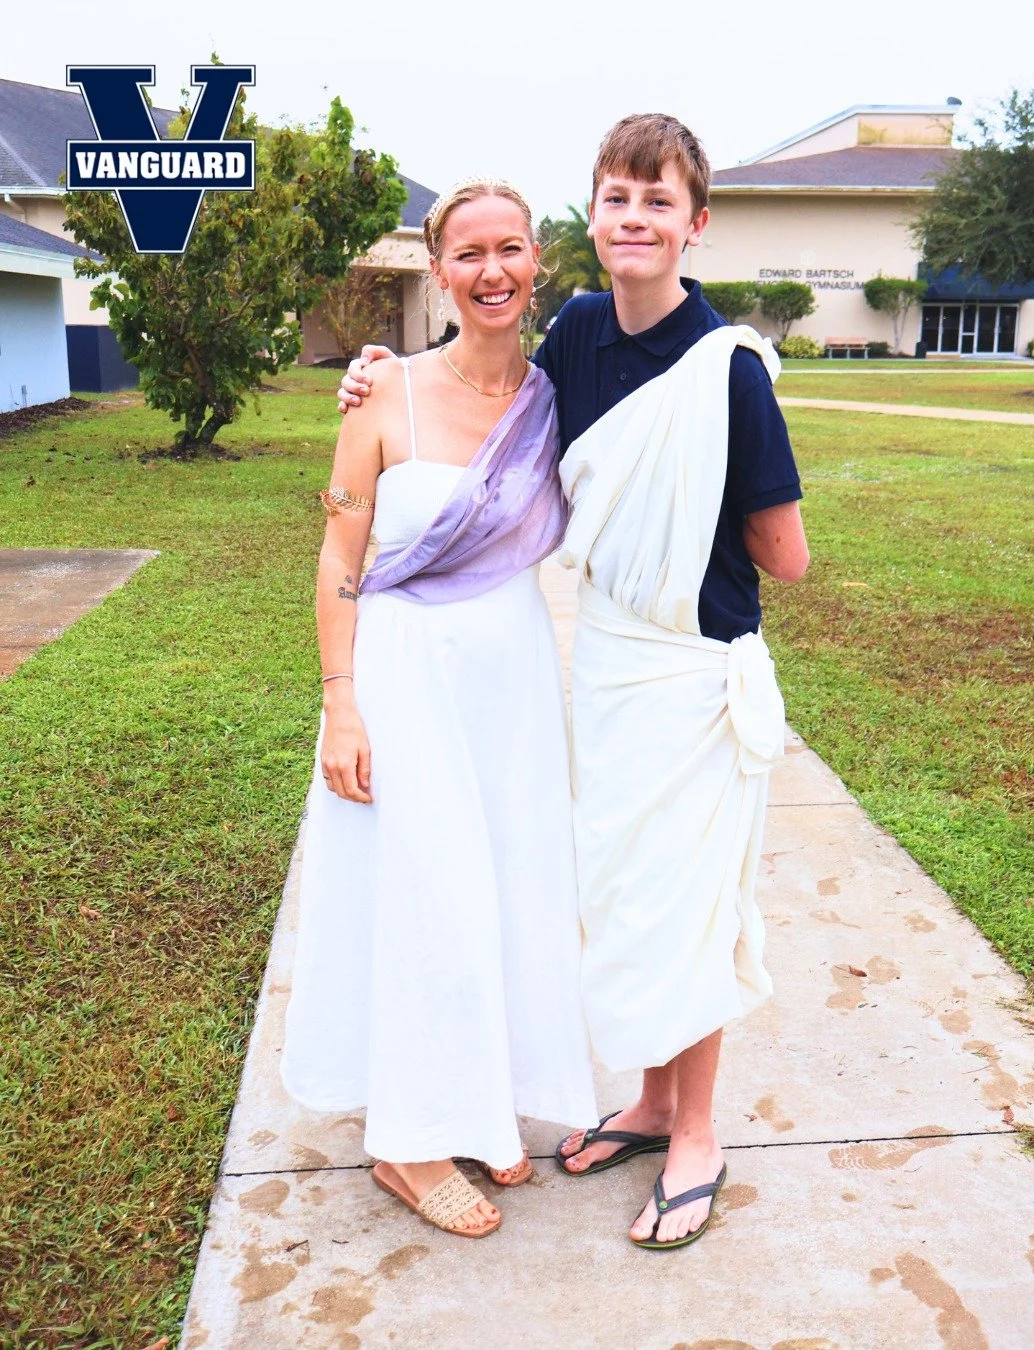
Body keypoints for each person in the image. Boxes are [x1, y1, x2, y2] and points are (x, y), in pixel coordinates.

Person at [338, 114, 809, 1250]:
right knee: (625, 896)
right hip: (602, 661)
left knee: (690, 902)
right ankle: (648, 1104)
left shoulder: (729, 369)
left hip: (691, 666)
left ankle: (694, 1131)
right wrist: (379, 372)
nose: (635, 220)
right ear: (588, 221)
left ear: (695, 224)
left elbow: (786, 553)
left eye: (659, 203)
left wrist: (678, 518)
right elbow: (499, 416)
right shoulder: (583, 336)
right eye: (616, 200)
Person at [281, 178, 597, 1241]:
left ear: (538, 261)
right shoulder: (384, 393)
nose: (493, 270)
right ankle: (407, 1143)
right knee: (424, 891)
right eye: (469, 253)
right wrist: (341, 705)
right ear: (437, 266)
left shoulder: (559, 399)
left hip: (509, 678)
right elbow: (339, 553)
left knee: (503, 884)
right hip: (404, 674)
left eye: (511, 248)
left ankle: (472, 1098)